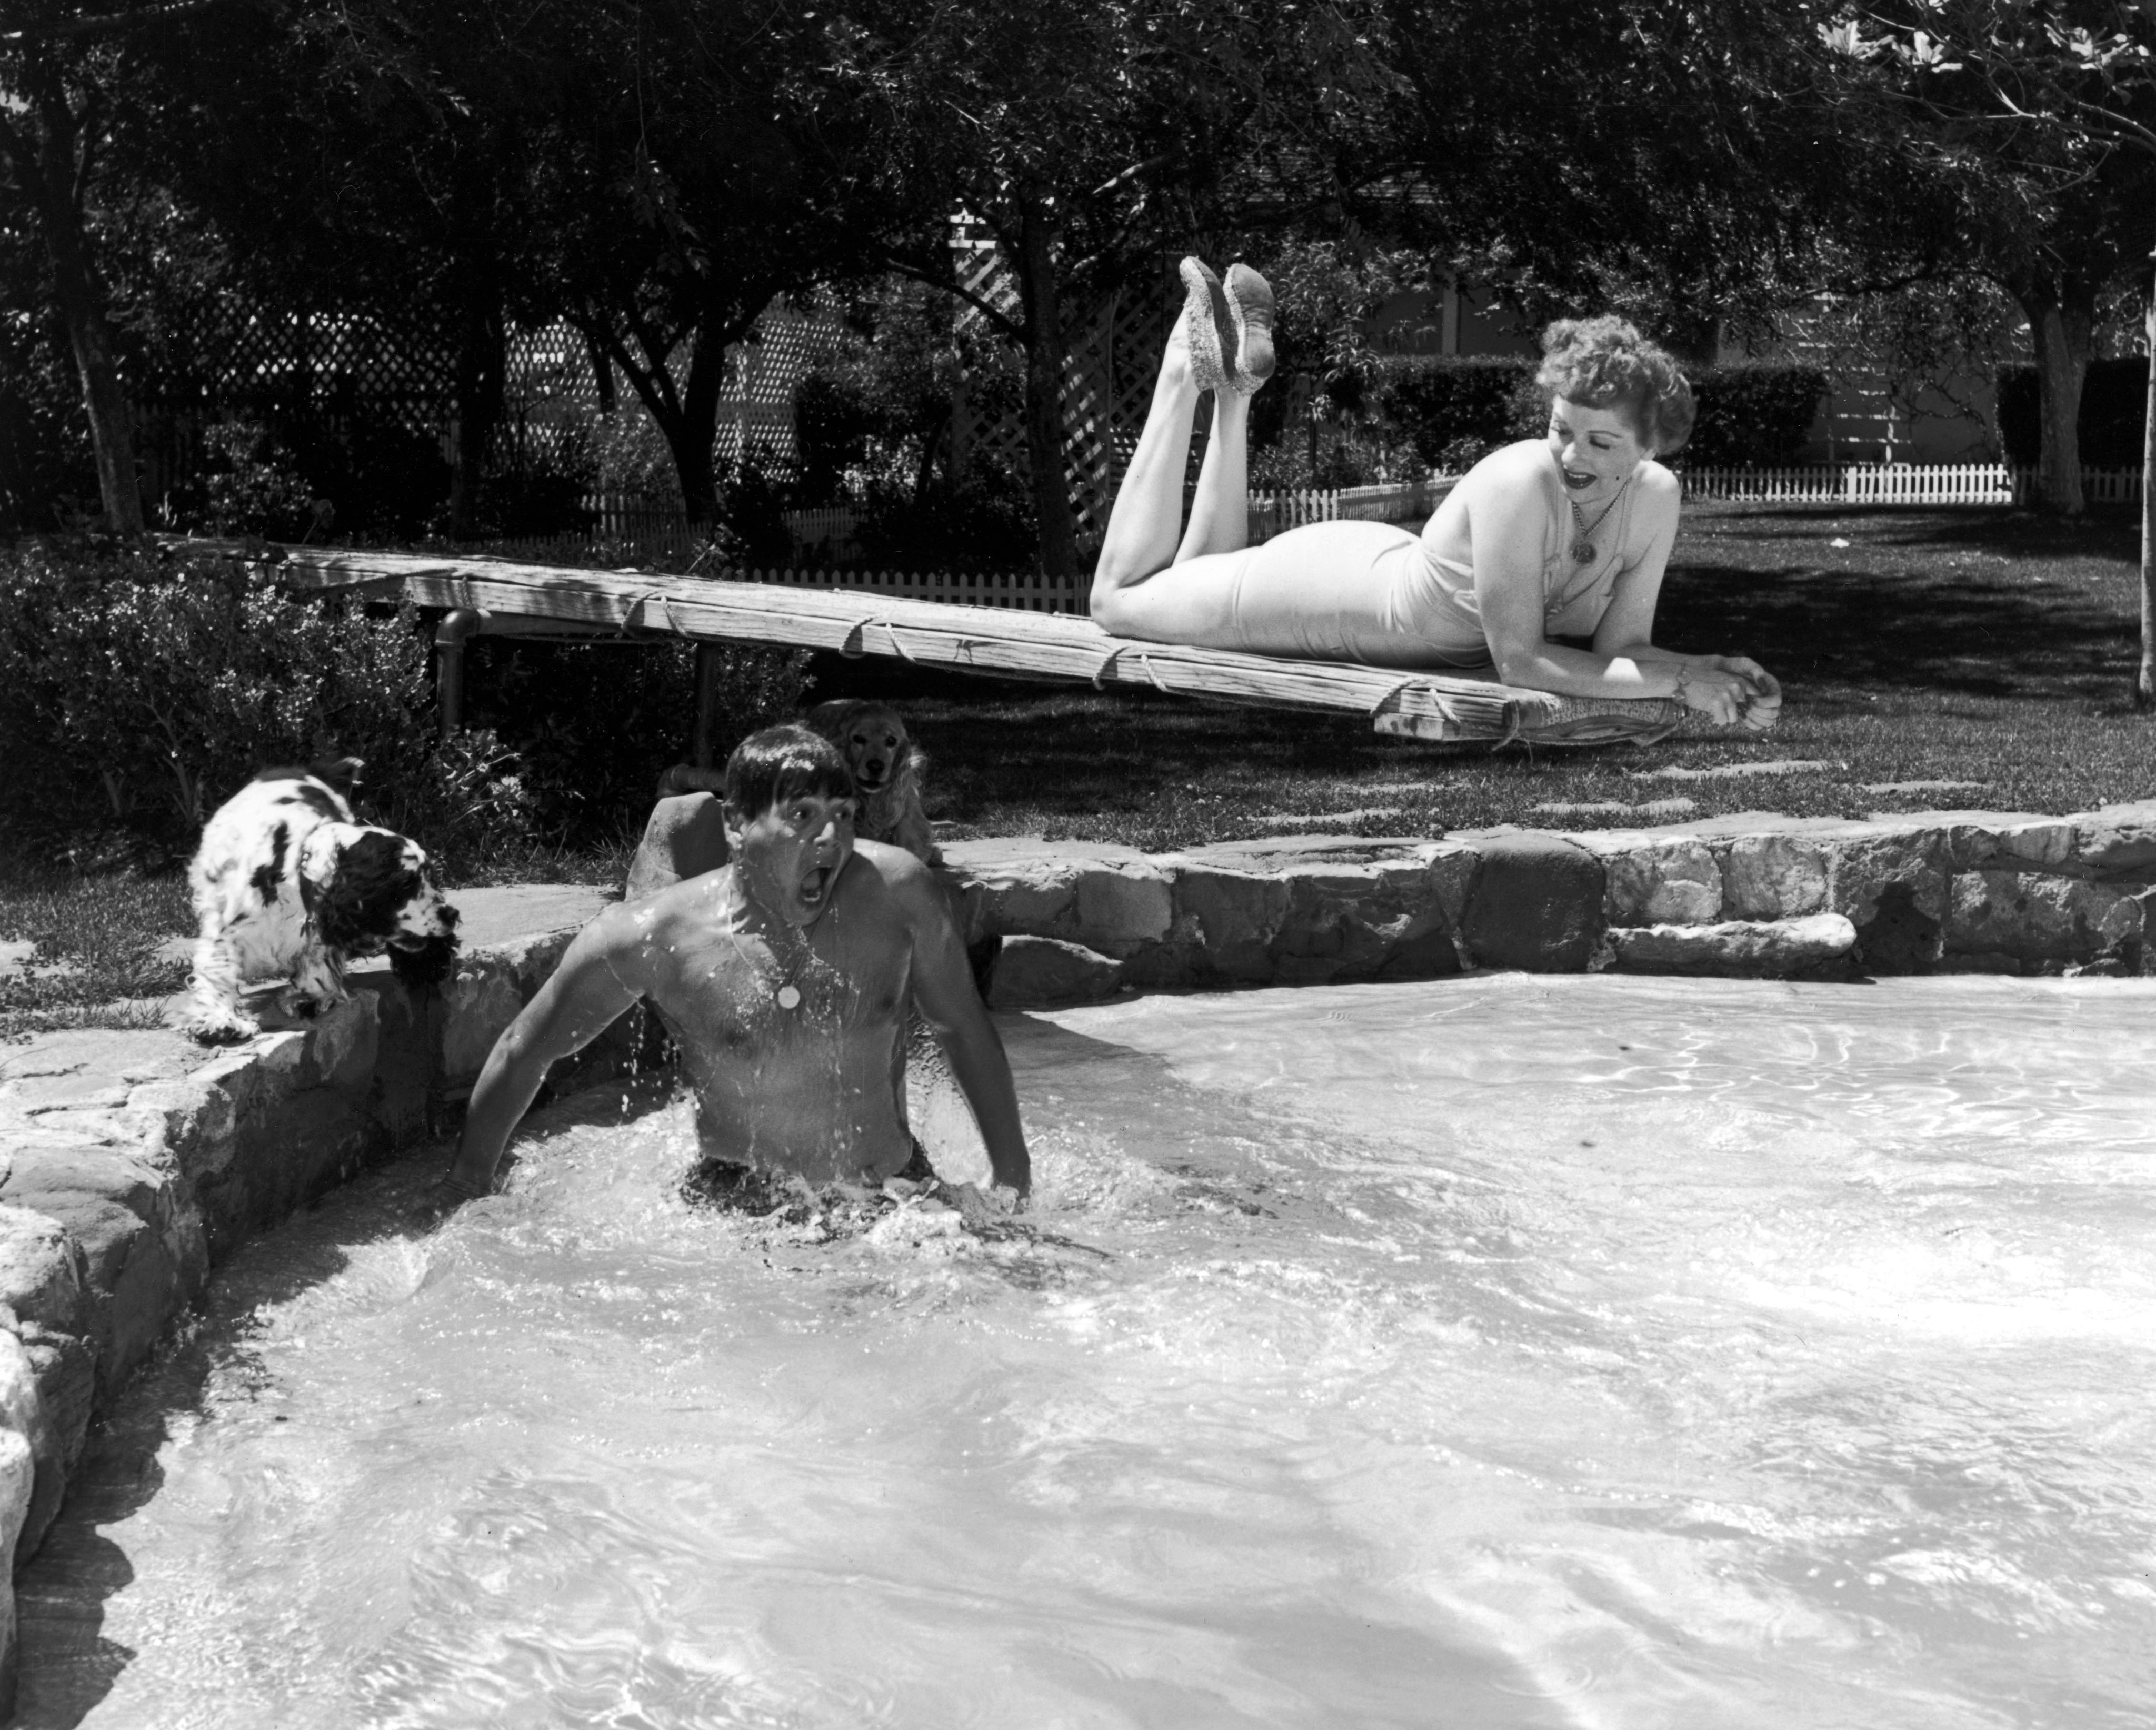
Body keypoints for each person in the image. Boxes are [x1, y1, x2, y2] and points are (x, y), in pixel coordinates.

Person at [1090, 263, 1781, 732]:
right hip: (1336, 597)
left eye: (1601, 443)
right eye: (1559, 430)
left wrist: (1701, 671)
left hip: (1381, 573)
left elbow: (1619, 647)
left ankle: (1237, 387)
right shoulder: (1521, 479)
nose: (1570, 455)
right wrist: (1677, 684)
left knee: (1202, 569)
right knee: (1117, 600)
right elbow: (1523, 662)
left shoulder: (1656, 498)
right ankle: (1183, 368)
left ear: (1649, 448)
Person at [443, 724, 1032, 1203]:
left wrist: (1012, 1183)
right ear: (735, 824)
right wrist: (468, 1185)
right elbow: (527, 1047)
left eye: (845, 814)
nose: (832, 838)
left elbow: (964, 1029)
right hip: (741, 1207)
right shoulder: (650, 938)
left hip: (894, 1193)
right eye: (802, 816)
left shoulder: (898, 895)